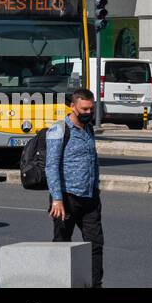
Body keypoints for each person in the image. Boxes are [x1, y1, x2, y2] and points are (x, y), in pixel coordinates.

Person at [48, 88, 104, 288]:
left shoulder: (88, 128)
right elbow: (51, 166)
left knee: (95, 245)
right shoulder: (59, 130)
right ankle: (58, 283)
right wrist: (56, 199)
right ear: (73, 106)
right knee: (62, 244)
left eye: (91, 109)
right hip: (66, 198)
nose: (89, 113)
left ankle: (95, 285)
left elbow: (93, 160)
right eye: (84, 109)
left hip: (90, 197)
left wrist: (96, 187)